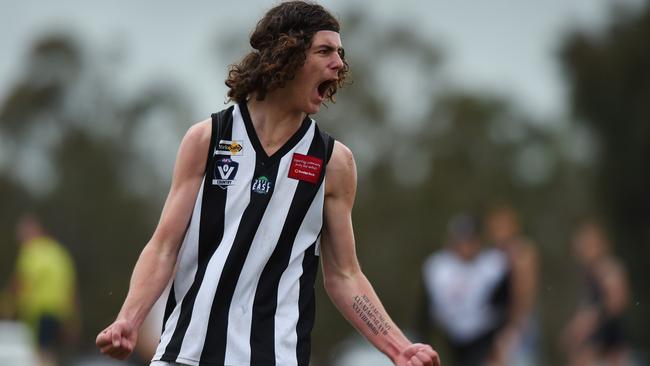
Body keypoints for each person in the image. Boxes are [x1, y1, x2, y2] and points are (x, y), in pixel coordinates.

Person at [95, 2, 440, 366]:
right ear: (284, 55)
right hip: (185, 355)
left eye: (339, 53)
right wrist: (128, 320)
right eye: (324, 51)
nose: (338, 63)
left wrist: (399, 347)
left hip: (274, 358)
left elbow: (344, 275)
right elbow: (164, 247)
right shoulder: (206, 139)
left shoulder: (334, 163)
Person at [416, 214, 509, 366]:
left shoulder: (493, 265)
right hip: (449, 334)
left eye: (470, 240)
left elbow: (504, 303)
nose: (465, 246)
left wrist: (503, 336)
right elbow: (425, 309)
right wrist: (422, 337)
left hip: (484, 333)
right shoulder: (438, 268)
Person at [7, 214, 80, 366]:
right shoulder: (58, 252)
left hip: (39, 313)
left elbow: (21, 282)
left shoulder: (31, 252)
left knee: (41, 354)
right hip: (60, 313)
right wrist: (72, 319)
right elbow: (71, 289)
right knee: (51, 353)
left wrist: (8, 306)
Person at [560, 219, 630, 366]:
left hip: (607, 327)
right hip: (602, 327)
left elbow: (617, 300)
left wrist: (586, 323)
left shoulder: (607, 267)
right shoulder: (590, 271)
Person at [484, 204, 539, 366]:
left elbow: (525, 290)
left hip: (517, 321)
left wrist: (517, 323)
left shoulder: (521, 252)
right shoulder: (494, 255)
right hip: (498, 321)